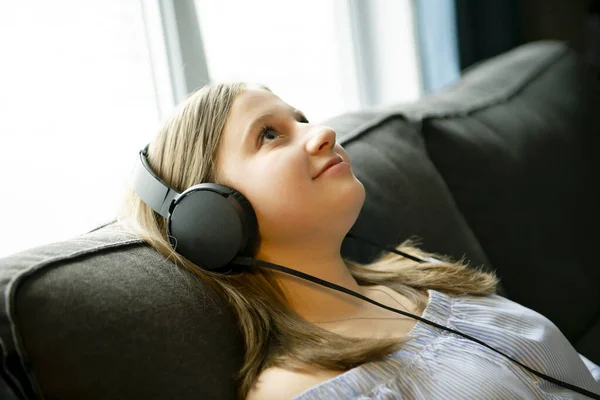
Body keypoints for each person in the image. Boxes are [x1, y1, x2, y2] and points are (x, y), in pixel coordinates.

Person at [117, 82, 600, 399]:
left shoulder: (420, 274)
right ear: (211, 217)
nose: (322, 132)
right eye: (269, 135)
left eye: (300, 118)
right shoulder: (297, 389)